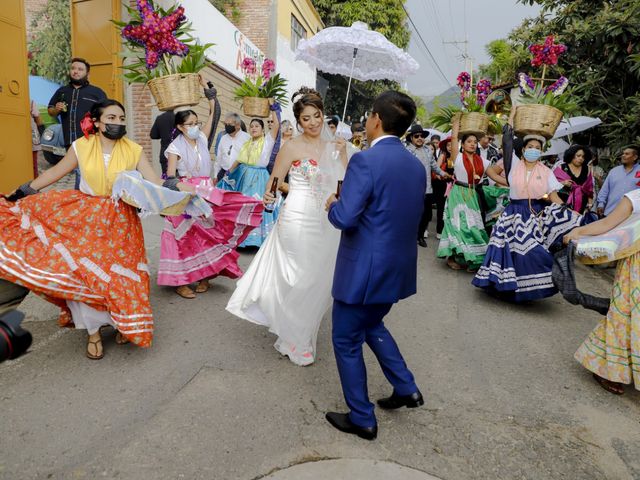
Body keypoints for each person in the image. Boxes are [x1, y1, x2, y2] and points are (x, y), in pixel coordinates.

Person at [0, 99, 193, 359]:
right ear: (98, 122)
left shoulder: (133, 149)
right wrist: (23, 191)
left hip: (122, 221)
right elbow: (56, 171)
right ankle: (92, 332)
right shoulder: (81, 146)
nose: (117, 123)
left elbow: (153, 181)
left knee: (122, 277)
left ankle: (121, 323)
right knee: (88, 275)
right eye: (111, 118)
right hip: (87, 218)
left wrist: (180, 188)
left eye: (121, 118)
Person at [324, 91, 425, 441]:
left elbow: (346, 219)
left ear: (376, 120)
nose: (366, 122)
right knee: (373, 325)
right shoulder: (415, 164)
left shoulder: (365, 161)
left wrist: (333, 203)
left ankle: (362, 417)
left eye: (368, 117)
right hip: (396, 268)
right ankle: (405, 387)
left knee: (346, 339)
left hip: (363, 270)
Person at [226, 87, 350, 366]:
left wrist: (341, 157)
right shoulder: (292, 147)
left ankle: (293, 331)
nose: (314, 123)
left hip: (324, 219)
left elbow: (344, 183)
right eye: (307, 118)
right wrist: (270, 194)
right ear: (298, 121)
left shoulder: (335, 147)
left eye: (317, 116)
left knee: (317, 277)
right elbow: (275, 178)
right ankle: (298, 340)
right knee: (299, 276)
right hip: (295, 216)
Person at [158, 85, 263, 298]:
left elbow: (214, 117)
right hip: (186, 193)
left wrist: (212, 98)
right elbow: (170, 176)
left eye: (196, 123)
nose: (195, 127)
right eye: (190, 124)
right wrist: (181, 188)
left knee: (209, 234)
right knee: (184, 239)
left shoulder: (202, 139)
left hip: (207, 191)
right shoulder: (174, 148)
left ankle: (205, 276)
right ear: (180, 127)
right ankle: (182, 281)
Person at [472, 106, 582, 302]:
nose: (534, 150)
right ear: (523, 150)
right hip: (512, 213)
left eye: (538, 148)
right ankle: (501, 287)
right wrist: (512, 116)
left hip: (535, 215)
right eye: (530, 147)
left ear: (541, 152)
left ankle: (525, 289)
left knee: (532, 252)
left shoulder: (547, 172)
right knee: (505, 250)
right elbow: (507, 141)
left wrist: (570, 214)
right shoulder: (513, 165)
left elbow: (554, 196)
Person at [564, 188, 640, 394]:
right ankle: (605, 368)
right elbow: (607, 224)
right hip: (635, 269)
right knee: (624, 314)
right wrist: (577, 232)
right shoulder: (635, 197)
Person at [218, 106, 280, 247]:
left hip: (259, 177)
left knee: (258, 204)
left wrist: (274, 110)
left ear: (263, 130)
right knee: (243, 206)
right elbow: (238, 160)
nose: (253, 128)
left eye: (257, 126)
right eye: (251, 126)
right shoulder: (247, 143)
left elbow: (276, 126)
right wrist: (228, 173)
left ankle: (256, 239)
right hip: (244, 177)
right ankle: (241, 238)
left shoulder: (267, 142)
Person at [436, 116, 492, 272]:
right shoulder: (457, 157)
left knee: (473, 226)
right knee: (457, 226)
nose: (473, 144)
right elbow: (454, 137)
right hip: (458, 194)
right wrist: (456, 123)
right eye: (469, 141)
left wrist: (512, 183)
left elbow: (495, 176)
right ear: (463, 144)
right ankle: (452, 257)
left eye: (475, 142)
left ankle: (471, 257)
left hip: (473, 195)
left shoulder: (483, 161)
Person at [47, 58, 107, 188]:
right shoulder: (62, 91)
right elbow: (50, 111)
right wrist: (55, 109)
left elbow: (106, 114)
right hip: (70, 141)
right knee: (79, 170)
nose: (76, 72)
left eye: (80, 69)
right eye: (73, 68)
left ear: (87, 74)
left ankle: (83, 195)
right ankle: (83, 196)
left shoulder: (97, 92)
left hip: (90, 140)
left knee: (84, 170)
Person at [405, 124, 450, 247]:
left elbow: (434, 166)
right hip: (411, 189)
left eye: (421, 136)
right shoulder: (406, 151)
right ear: (411, 138)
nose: (419, 138)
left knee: (426, 214)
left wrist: (443, 173)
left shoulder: (428, 151)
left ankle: (420, 236)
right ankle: (408, 236)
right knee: (410, 214)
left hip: (427, 189)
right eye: (416, 136)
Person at [596, 146, 640, 217]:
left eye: (627, 154)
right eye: (623, 153)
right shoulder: (614, 171)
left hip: (631, 216)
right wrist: (601, 204)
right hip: (610, 213)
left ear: (635, 157)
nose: (623, 155)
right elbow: (605, 189)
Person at [553, 144, 594, 214]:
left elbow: (589, 188)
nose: (581, 158)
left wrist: (590, 204)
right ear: (571, 155)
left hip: (582, 205)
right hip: (562, 204)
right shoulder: (561, 167)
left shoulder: (587, 169)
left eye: (583, 157)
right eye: (578, 156)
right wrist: (563, 183)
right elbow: (551, 186)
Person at [214, 113, 250, 178]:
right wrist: (215, 175)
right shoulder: (223, 138)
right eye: (226, 124)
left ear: (238, 125)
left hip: (239, 174)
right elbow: (218, 158)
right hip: (223, 173)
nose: (227, 126)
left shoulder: (247, 138)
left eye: (230, 124)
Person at [432, 137, 453, 239]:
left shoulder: (457, 156)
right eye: (448, 145)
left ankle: (449, 231)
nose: (450, 147)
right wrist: (440, 176)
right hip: (442, 185)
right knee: (441, 208)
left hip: (453, 185)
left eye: (452, 145)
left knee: (451, 209)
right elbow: (435, 169)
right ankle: (439, 230)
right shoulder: (442, 156)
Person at [149, 110, 175, 176]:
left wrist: (163, 134)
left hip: (165, 153)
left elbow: (153, 135)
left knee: (167, 180)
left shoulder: (160, 118)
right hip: (180, 154)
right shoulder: (181, 117)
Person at [30, 100, 44, 177]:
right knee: (33, 164)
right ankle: (34, 186)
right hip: (31, 137)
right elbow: (39, 120)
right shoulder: (30, 101)